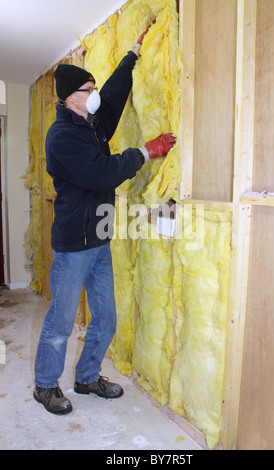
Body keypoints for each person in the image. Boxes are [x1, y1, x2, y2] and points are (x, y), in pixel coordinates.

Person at [33, 27, 176, 415]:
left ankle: (87, 376)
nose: (94, 93)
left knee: (107, 318)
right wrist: (145, 152)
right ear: (69, 98)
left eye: (93, 85)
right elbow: (103, 173)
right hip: (73, 245)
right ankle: (45, 386)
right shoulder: (62, 136)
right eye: (87, 88)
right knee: (62, 322)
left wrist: (131, 55)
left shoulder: (91, 125)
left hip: (98, 235)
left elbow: (111, 97)